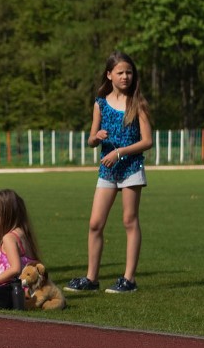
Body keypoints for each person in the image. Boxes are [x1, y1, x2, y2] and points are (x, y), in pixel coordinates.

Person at [64, 51, 152, 294]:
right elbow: (92, 140)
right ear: (109, 74)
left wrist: (120, 152)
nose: (125, 77)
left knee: (129, 221)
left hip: (131, 167)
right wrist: (96, 137)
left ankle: (129, 280)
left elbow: (147, 141)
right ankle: (91, 279)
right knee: (95, 224)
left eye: (129, 72)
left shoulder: (138, 103)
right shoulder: (100, 102)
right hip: (107, 170)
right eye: (121, 72)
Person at [0, 189, 42, 287]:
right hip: (23, 289)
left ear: (9, 215)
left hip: (12, 291)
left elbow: (15, 269)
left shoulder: (9, 238)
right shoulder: (22, 233)